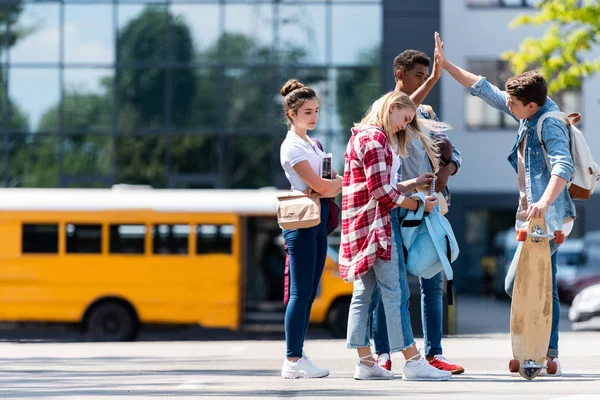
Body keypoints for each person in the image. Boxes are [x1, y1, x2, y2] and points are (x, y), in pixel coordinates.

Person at [435, 32, 575, 376]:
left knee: (519, 283)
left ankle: (537, 347)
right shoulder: (529, 113)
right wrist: (447, 65)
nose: (507, 109)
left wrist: (542, 202)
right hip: (536, 215)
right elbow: (486, 90)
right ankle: (547, 351)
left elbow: (563, 166)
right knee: (544, 281)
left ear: (530, 104)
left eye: (513, 105)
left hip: (550, 217)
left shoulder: (550, 123)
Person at [340, 90, 452, 381]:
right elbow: (380, 193)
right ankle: (413, 361)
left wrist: (411, 184)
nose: (404, 125)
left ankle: (365, 362)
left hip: (359, 224)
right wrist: (417, 203)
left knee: (364, 294)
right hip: (377, 224)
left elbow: (375, 186)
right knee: (396, 292)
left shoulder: (360, 136)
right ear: (391, 107)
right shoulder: (376, 139)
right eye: (404, 118)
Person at [370, 49, 465, 375]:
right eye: (419, 77)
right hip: (395, 208)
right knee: (390, 286)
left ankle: (433, 353)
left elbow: (454, 154)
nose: (424, 83)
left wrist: (448, 168)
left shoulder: (425, 112)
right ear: (400, 75)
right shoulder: (383, 114)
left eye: (427, 77)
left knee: (432, 281)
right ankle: (383, 353)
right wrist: (436, 78)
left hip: (428, 209)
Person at [279, 79, 343, 379]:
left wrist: (330, 186)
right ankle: (292, 359)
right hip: (302, 224)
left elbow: (332, 182)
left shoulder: (312, 144)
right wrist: (330, 187)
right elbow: (321, 184)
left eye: (316, 110)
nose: (314, 116)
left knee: (307, 293)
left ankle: (298, 355)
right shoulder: (291, 147)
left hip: (317, 220)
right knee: (300, 292)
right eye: (307, 112)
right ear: (291, 114)